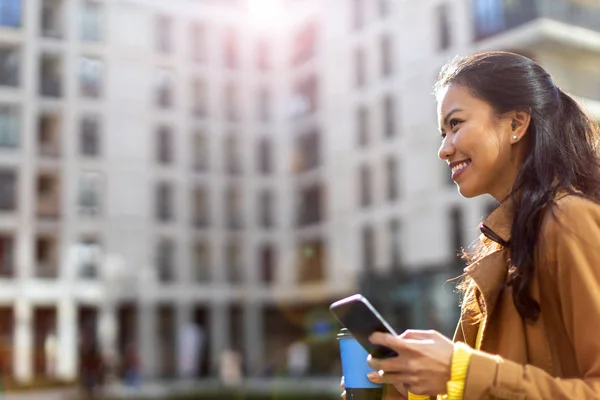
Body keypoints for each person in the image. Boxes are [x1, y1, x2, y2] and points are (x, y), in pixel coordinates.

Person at [341, 51, 600, 399]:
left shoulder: (569, 222)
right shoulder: (498, 250)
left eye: (456, 124)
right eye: (442, 132)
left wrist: (458, 371)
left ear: (515, 125)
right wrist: (407, 388)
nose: (444, 150)